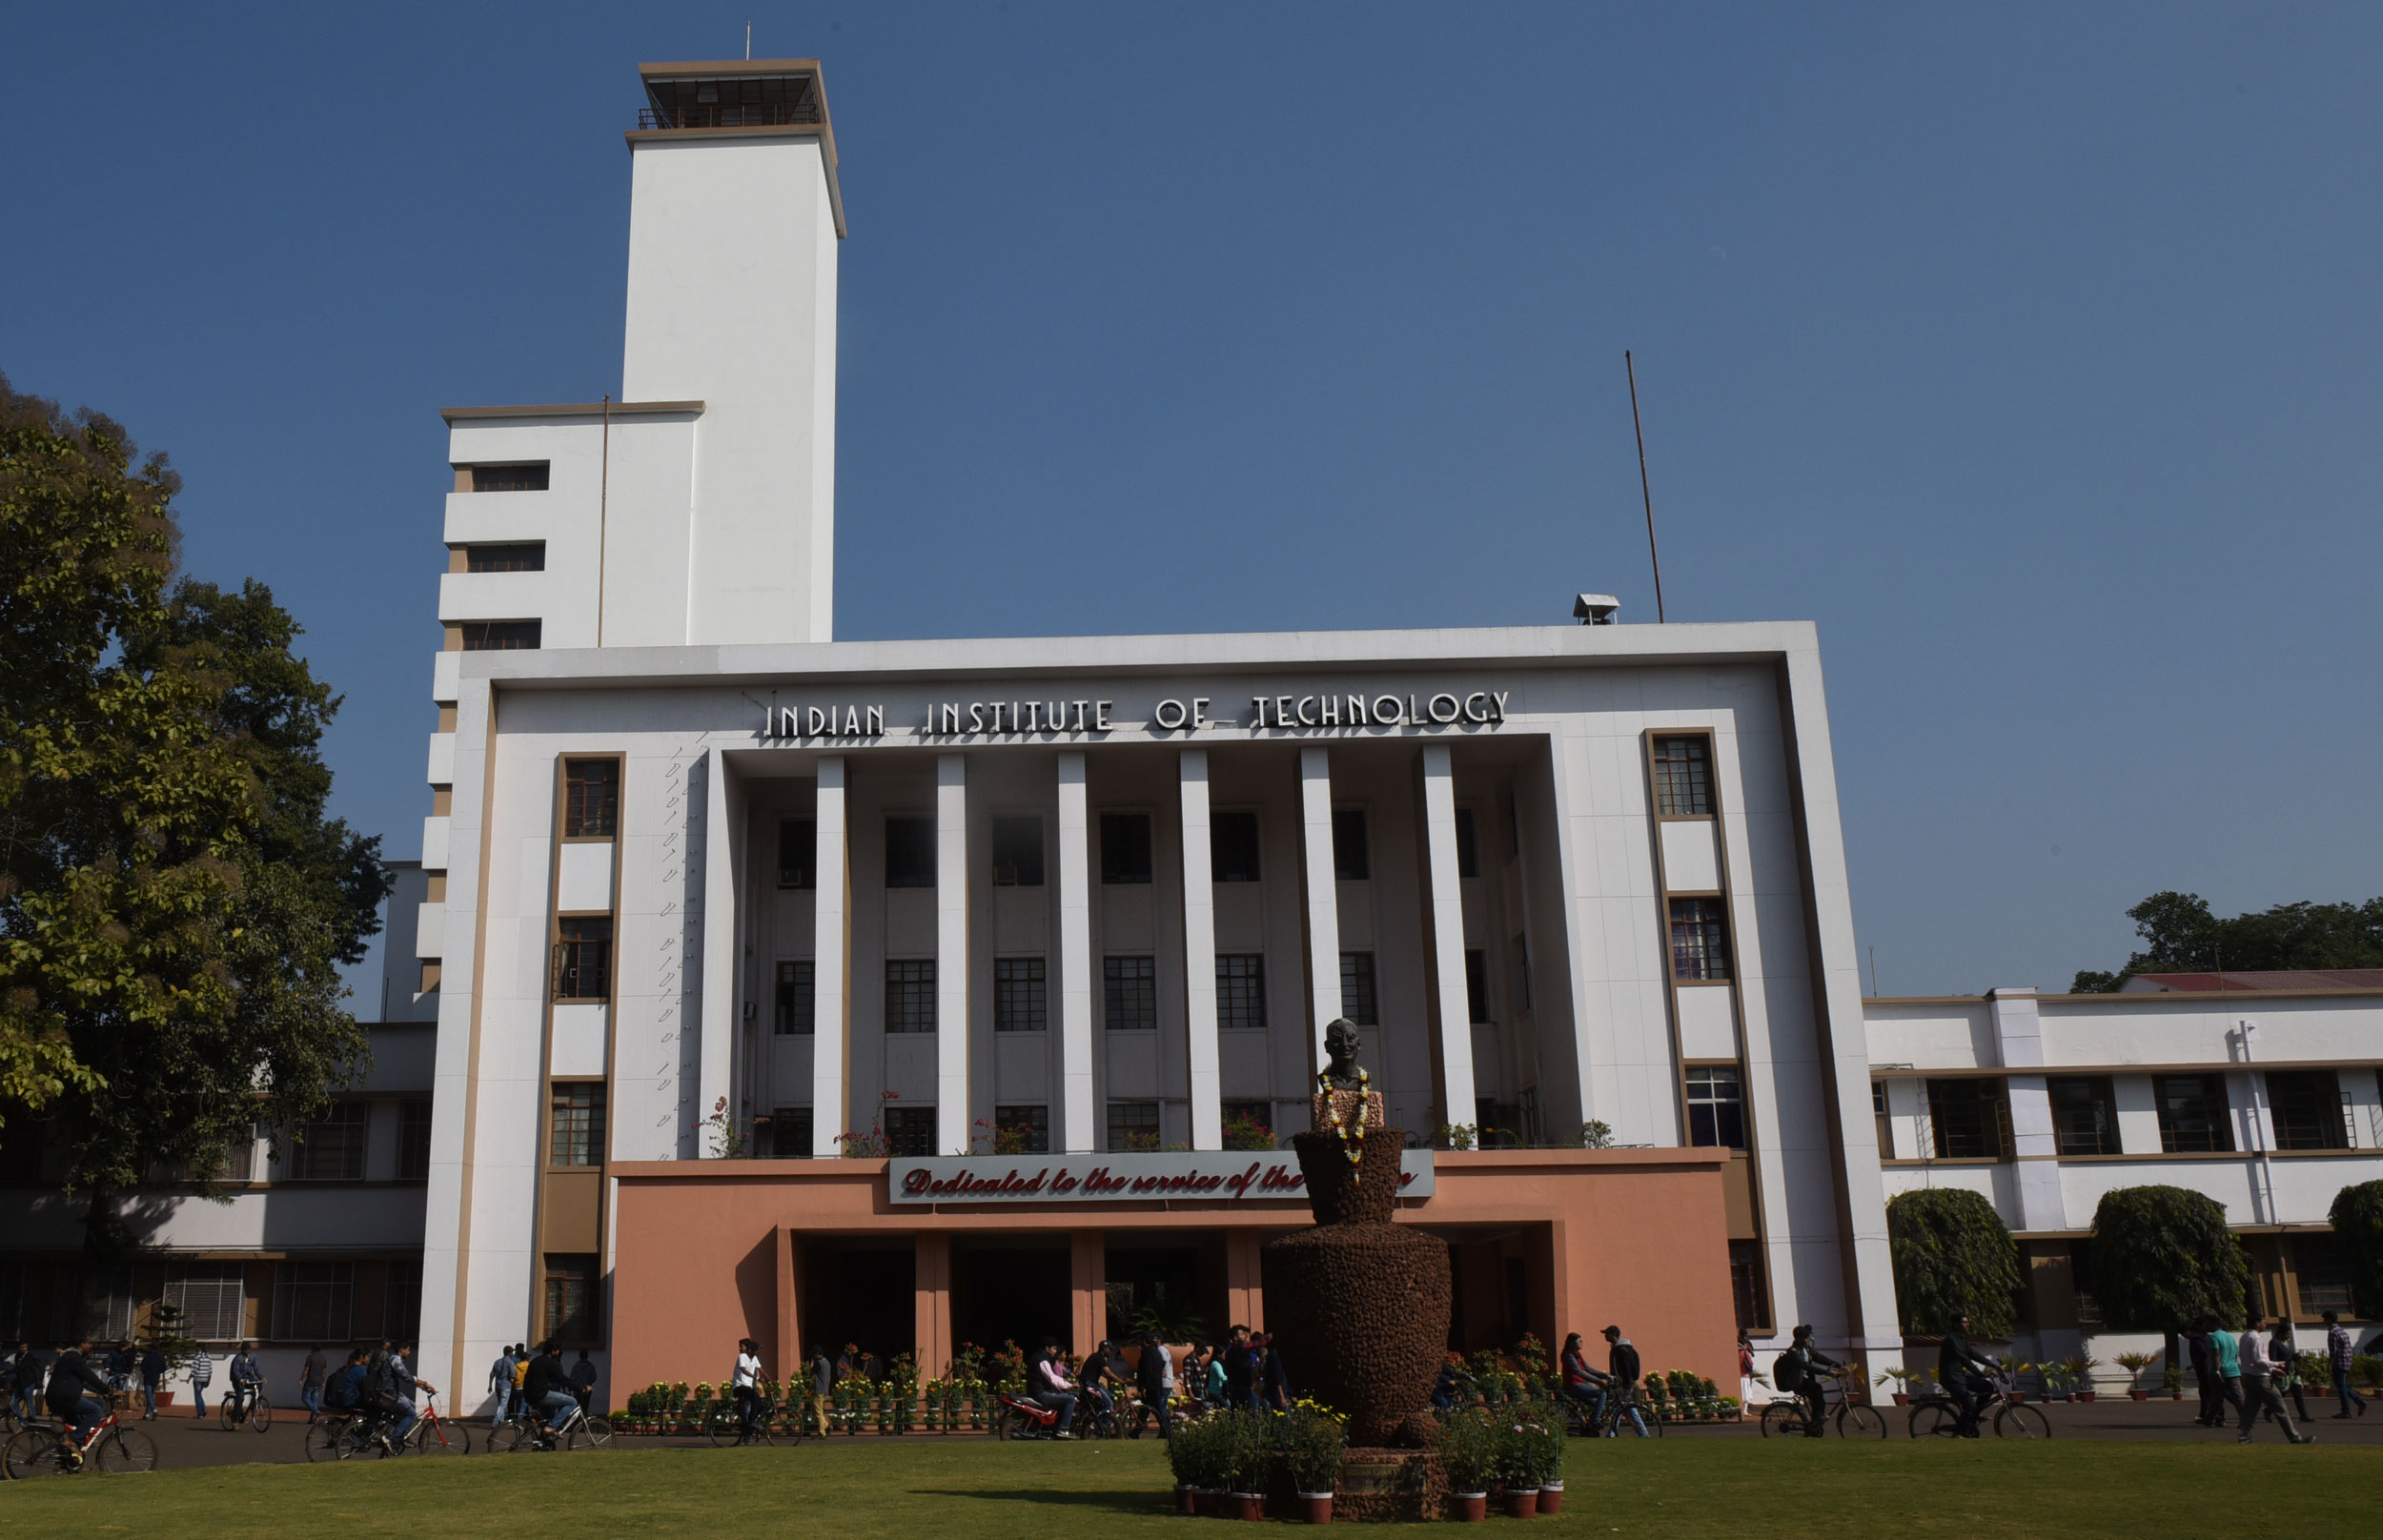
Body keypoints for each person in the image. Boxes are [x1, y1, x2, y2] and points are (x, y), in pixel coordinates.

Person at [2235, 1312, 2313, 1445]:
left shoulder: (2244, 1337)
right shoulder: (2255, 1338)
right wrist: (2276, 1364)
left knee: (2251, 1408)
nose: (2266, 1324)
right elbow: (2258, 1360)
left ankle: (2244, 1436)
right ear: (2257, 1323)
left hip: (2250, 1376)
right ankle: (2295, 1437)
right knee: (2279, 1407)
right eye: (2263, 1321)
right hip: (2260, 1378)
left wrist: (2272, 1369)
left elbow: (2254, 1361)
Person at [43, 1338, 113, 1469]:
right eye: (89, 1344)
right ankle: (73, 1440)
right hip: (64, 1398)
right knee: (95, 1410)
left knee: (98, 1404)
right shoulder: (73, 1357)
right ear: (82, 1344)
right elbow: (88, 1375)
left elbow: (85, 1381)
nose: (91, 1346)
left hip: (61, 1397)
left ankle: (74, 1464)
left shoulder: (70, 1357)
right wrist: (108, 1390)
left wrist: (102, 1391)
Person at [1774, 1324, 1841, 1439]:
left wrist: (1837, 1365)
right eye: (1805, 1337)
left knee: (1818, 1399)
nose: (1807, 1339)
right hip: (1796, 1381)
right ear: (1798, 1338)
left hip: (1804, 1380)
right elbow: (1804, 1365)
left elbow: (1819, 1357)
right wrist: (1826, 1372)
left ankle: (1816, 1421)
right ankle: (1817, 1419)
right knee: (1817, 1388)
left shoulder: (1807, 1348)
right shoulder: (1793, 1351)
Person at [1937, 1315, 1999, 1438]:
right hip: (1951, 1378)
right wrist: (1979, 1373)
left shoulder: (1962, 1339)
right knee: (1969, 1405)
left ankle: (1974, 1415)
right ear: (1956, 1324)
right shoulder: (1951, 1339)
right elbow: (1963, 1358)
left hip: (1960, 1376)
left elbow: (1973, 1354)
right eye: (1964, 1322)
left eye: (1968, 1322)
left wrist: (1994, 1365)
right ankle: (1958, 1433)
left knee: (1987, 1387)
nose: (1967, 1324)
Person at [379, 1342, 436, 1446]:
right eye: (408, 1350)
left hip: (392, 1392)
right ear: (401, 1350)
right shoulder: (395, 1360)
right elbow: (407, 1377)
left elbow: (408, 1379)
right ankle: (391, 1438)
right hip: (389, 1394)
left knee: (412, 1406)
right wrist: (425, 1384)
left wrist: (424, 1388)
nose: (409, 1353)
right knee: (411, 1414)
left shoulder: (395, 1360)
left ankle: (403, 1437)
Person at [523, 1342, 578, 1444]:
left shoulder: (535, 1360)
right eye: (557, 1351)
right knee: (572, 1402)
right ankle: (551, 1427)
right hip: (541, 1395)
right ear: (553, 1351)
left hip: (530, 1395)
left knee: (550, 1416)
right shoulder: (551, 1363)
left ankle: (543, 1442)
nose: (558, 1353)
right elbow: (562, 1379)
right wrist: (581, 1387)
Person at [1601, 1325, 1650, 1437]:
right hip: (1624, 1383)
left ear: (1613, 1335)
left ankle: (1643, 1433)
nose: (1605, 1336)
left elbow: (1626, 1369)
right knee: (1621, 1409)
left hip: (1624, 1384)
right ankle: (1612, 1433)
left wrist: (1626, 1385)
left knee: (1628, 1410)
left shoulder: (1621, 1350)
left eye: (1607, 1334)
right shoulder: (1624, 1348)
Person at [2324, 1310, 2368, 1418]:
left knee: (2341, 1387)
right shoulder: (2342, 1331)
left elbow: (2333, 1351)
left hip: (2339, 1362)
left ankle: (2346, 1410)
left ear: (2329, 1320)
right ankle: (2359, 1401)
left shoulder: (2333, 1332)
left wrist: (2330, 1364)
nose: (2323, 1321)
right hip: (2347, 1361)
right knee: (2343, 1385)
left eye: (2325, 1319)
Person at [1030, 1336, 1077, 1437]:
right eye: (1054, 1349)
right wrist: (1070, 1385)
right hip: (1040, 1393)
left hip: (1039, 1391)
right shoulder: (1043, 1360)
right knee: (1070, 1399)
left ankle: (1055, 1427)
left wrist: (1068, 1383)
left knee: (1063, 1397)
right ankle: (1063, 1429)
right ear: (1047, 1348)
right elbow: (1052, 1378)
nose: (1056, 1352)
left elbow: (1055, 1377)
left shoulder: (1041, 1357)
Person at [1132, 1331, 1172, 1438]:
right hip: (1156, 1384)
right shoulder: (1156, 1352)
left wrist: (1144, 1386)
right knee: (1146, 1410)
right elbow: (1161, 1365)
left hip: (1151, 1386)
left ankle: (1166, 1431)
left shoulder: (1147, 1354)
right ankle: (1136, 1432)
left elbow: (1147, 1370)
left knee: (1157, 1410)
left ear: (1145, 1342)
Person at [2268, 1319, 2310, 1423]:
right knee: (2281, 1394)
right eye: (2287, 1334)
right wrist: (2275, 1370)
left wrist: (2296, 1357)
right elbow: (2273, 1358)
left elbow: (2289, 1356)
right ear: (2281, 1333)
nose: (2289, 1336)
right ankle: (2268, 1410)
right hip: (2283, 1372)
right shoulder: (2274, 1342)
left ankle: (2304, 1415)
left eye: (2289, 1334)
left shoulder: (2285, 1342)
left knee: (2297, 1392)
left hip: (2293, 1371)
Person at [2210, 1314, 2246, 1427]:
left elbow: (2216, 1353)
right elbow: (2236, 1352)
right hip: (2233, 1368)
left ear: (2212, 1325)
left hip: (2222, 1369)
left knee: (2218, 1397)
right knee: (2237, 1395)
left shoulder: (2213, 1336)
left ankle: (2216, 1418)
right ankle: (2244, 1418)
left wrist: (2217, 1370)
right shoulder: (2229, 1336)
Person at [1077, 1340, 1121, 1424]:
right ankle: (1104, 1428)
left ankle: (1099, 1419)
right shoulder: (1099, 1357)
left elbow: (1105, 1374)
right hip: (1090, 1385)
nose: (1111, 1352)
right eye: (1110, 1349)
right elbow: (1108, 1372)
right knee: (1108, 1404)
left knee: (1110, 1396)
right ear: (1104, 1349)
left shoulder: (1095, 1356)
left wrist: (1116, 1379)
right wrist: (1121, 1381)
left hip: (1092, 1384)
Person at [730, 1337, 764, 1444]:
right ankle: (749, 1429)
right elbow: (744, 1371)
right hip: (740, 1387)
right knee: (748, 1408)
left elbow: (761, 1370)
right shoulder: (742, 1357)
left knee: (759, 1405)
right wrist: (756, 1378)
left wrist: (770, 1380)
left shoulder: (753, 1358)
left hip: (749, 1387)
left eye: (741, 1346)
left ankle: (750, 1428)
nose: (740, 1348)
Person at [2186, 1321, 2218, 1426]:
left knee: (2205, 1392)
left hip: (2203, 1368)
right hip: (2207, 1366)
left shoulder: (2195, 1339)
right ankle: (2207, 1414)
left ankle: (2205, 1414)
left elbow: (2202, 1353)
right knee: (2211, 1391)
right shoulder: (2205, 1337)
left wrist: (2196, 1363)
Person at [227, 1341, 264, 1423]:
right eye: (246, 1349)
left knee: (259, 1384)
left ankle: (253, 1404)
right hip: (237, 1380)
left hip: (248, 1379)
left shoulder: (253, 1357)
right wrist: (240, 1379)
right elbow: (235, 1370)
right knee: (240, 1397)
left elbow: (256, 1369)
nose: (248, 1351)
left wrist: (262, 1377)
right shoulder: (238, 1358)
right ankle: (235, 1420)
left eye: (249, 1349)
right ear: (242, 1350)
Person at [1256, 1334, 1293, 1410]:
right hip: (1278, 1392)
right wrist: (1282, 1396)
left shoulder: (1270, 1357)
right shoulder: (1274, 1356)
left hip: (1274, 1392)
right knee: (1284, 1416)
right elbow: (1278, 1377)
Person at [809, 1343, 835, 1436]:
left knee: (818, 1412)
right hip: (824, 1389)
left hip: (818, 1389)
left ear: (816, 1354)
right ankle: (826, 1425)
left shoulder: (818, 1363)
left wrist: (811, 1365)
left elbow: (812, 1372)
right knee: (819, 1410)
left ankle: (822, 1432)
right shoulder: (827, 1362)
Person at [490, 1344, 519, 1423]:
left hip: (497, 1385)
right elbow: (513, 1374)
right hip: (506, 1386)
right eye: (511, 1352)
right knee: (502, 1405)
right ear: (509, 1353)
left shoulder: (497, 1362)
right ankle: (495, 1421)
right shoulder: (510, 1362)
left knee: (500, 1403)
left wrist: (490, 1385)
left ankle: (501, 1420)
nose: (512, 1354)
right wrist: (516, 1377)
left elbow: (492, 1374)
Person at [138, 1342, 168, 1420]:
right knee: (151, 1394)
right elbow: (164, 1368)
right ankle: (147, 1414)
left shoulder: (147, 1357)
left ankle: (154, 1409)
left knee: (148, 1395)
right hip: (156, 1377)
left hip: (148, 1377)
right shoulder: (161, 1357)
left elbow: (143, 1368)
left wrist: (146, 1372)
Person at [299, 1343, 328, 1421]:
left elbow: (306, 1370)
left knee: (305, 1398)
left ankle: (316, 1411)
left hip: (310, 1381)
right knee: (314, 1400)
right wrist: (323, 1382)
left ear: (313, 1349)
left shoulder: (310, 1358)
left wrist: (301, 1379)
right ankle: (313, 1419)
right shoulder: (323, 1358)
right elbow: (324, 1372)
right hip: (319, 1382)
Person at [186, 1346, 213, 1417]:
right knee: (199, 1394)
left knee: (197, 1395)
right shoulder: (208, 1356)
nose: (195, 1348)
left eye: (196, 1347)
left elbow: (194, 1369)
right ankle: (203, 1409)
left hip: (198, 1378)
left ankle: (200, 1413)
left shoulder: (197, 1357)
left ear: (199, 1348)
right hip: (205, 1378)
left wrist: (189, 1377)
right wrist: (209, 1378)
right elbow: (210, 1369)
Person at [570, 1348, 599, 1412]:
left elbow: (572, 1377)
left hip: (577, 1389)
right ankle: (584, 1417)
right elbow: (594, 1378)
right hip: (587, 1389)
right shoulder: (591, 1366)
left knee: (578, 1406)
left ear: (579, 1356)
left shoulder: (576, 1366)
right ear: (587, 1356)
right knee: (585, 1405)